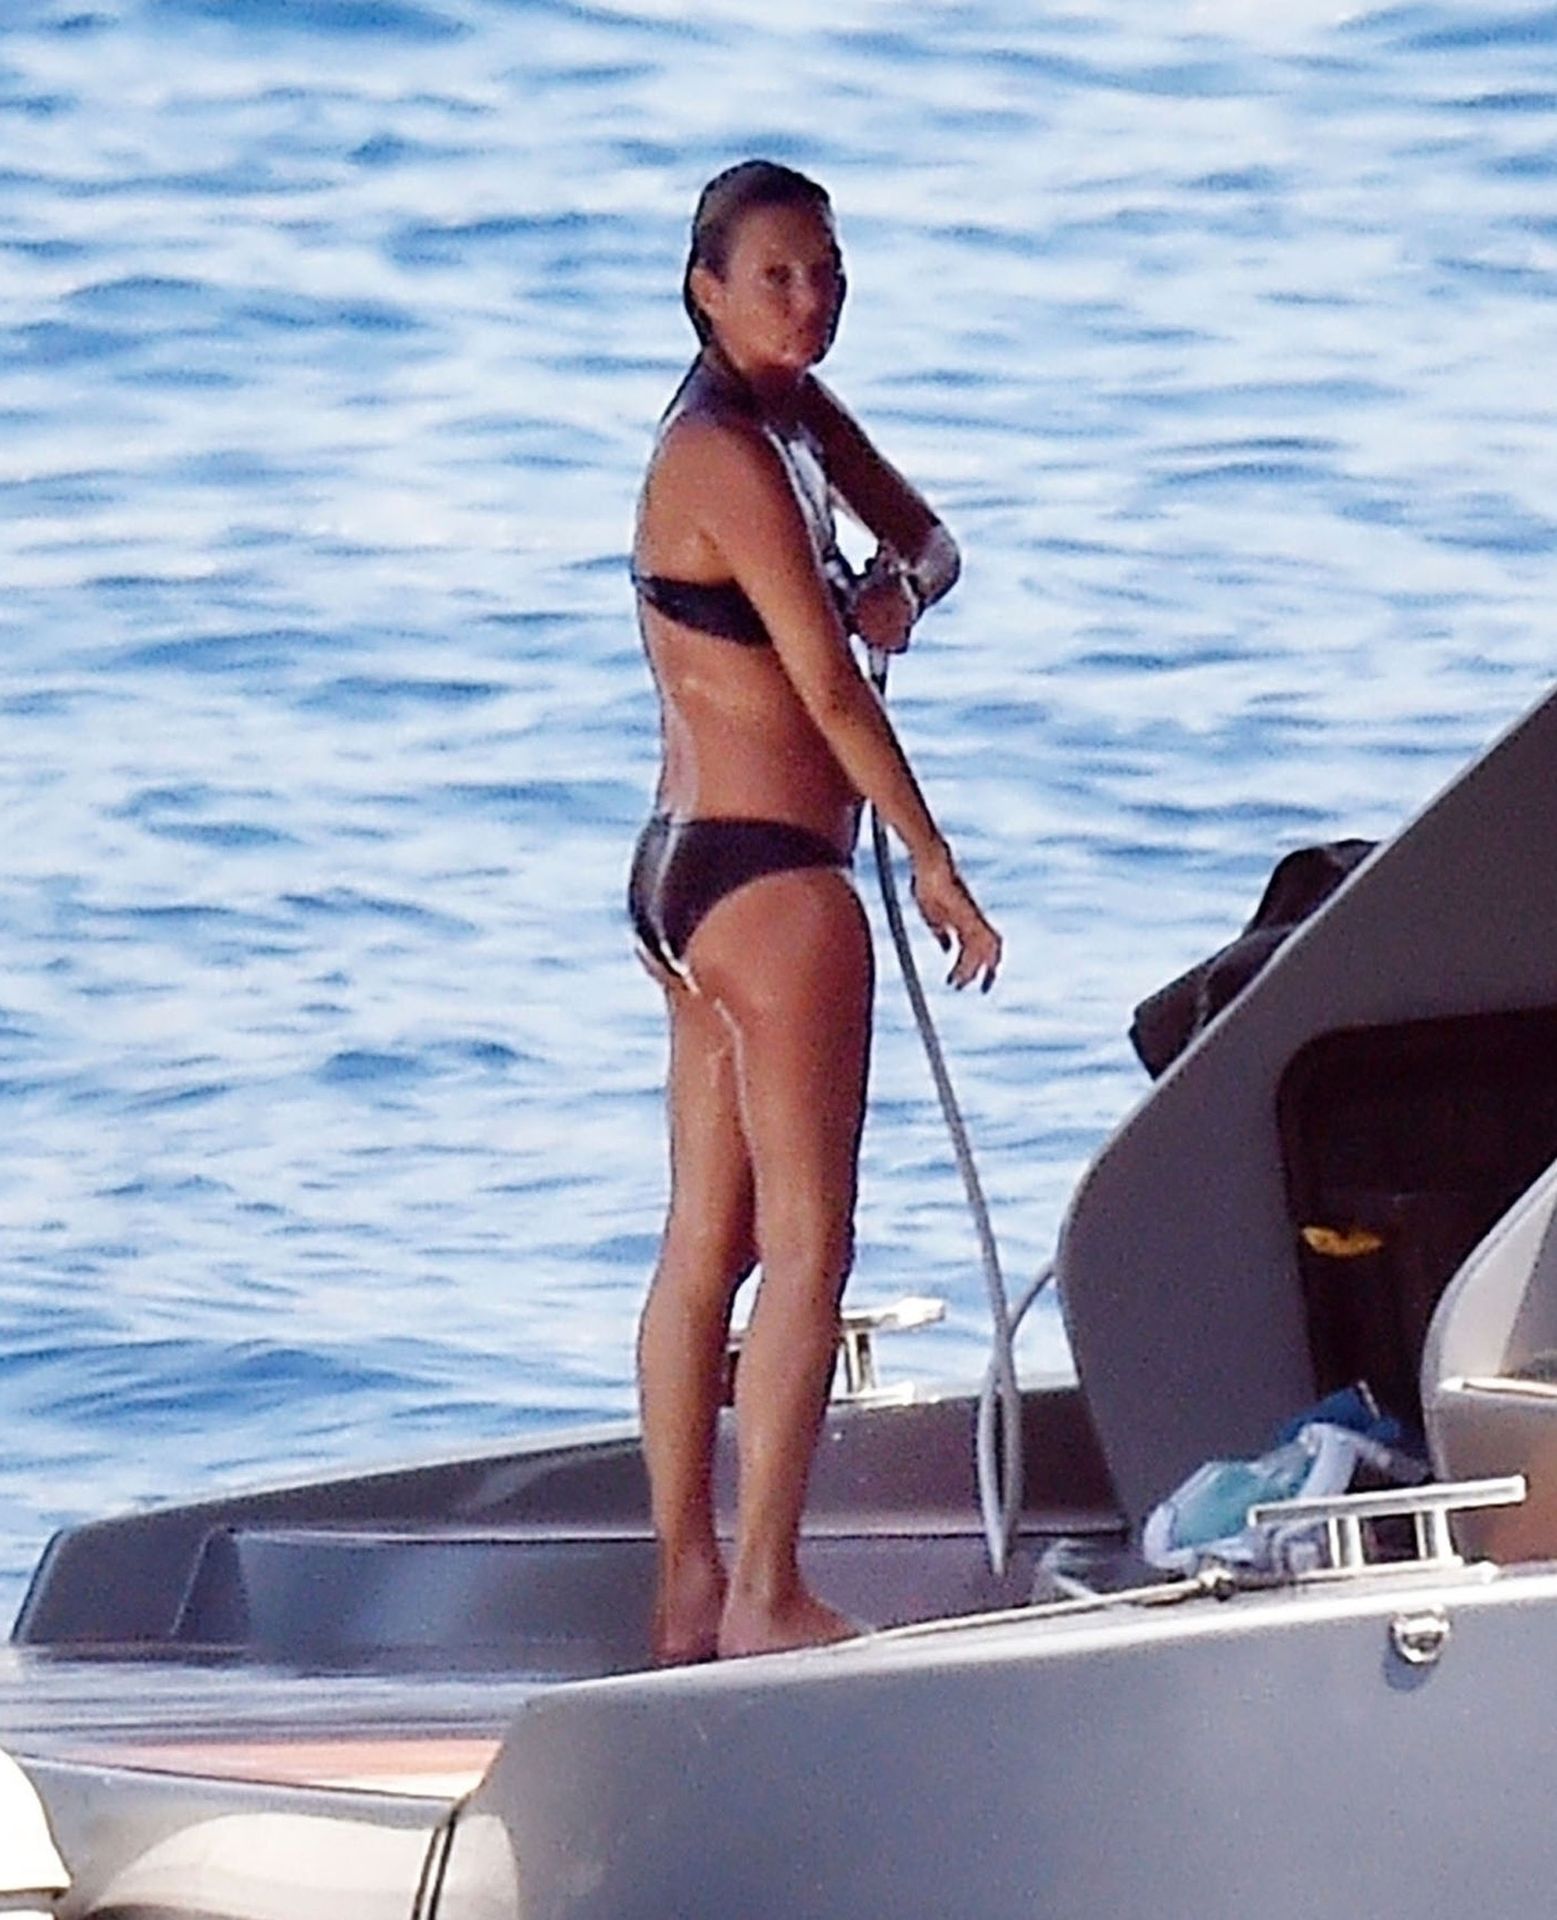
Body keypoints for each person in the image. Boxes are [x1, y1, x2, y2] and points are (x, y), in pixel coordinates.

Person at [629, 159, 1001, 1663]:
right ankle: (762, 1593)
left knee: (708, 1240)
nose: (809, 300)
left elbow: (935, 541)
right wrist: (933, 860)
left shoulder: (793, 421)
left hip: (686, 879)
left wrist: (906, 584)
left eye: (828, 274)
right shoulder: (720, 453)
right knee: (805, 1242)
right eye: (776, 276)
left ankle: (688, 1592)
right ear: (705, 289)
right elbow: (829, 690)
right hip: (769, 877)